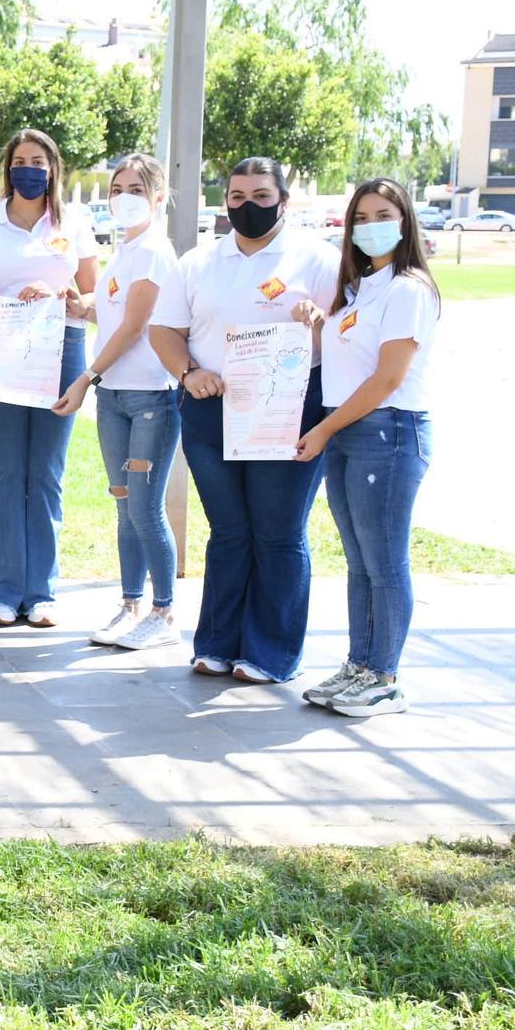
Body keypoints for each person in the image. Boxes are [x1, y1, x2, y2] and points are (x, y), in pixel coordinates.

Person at [150, 155, 340, 683]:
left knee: (278, 532)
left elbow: (351, 335)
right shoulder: (198, 263)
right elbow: (164, 331)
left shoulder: (319, 260)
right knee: (230, 531)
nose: (247, 206)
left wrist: (320, 322)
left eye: (260, 196)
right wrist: (189, 373)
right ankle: (216, 643)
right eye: (237, 197)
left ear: (283, 199)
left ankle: (270, 654)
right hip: (213, 410)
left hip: (291, 410)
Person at [293, 178, 438, 717]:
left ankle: (385, 677)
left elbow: (387, 379)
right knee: (359, 561)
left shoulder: (408, 289)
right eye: (361, 217)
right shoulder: (360, 289)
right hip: (349, 428)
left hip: (388, 431)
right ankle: (361, 665)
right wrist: (318, 326)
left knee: (384, 560)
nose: (371, 225)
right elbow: (347, 358)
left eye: (384, 214)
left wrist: (326, 430)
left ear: (404, 222)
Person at [0, 128, 98, 628]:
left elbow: (94, 300)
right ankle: (3, 591)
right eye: (20, 160)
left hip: (61, 352)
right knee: (8, 471)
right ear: (8, 168)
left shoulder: (75, 222)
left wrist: (59, 294)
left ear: (54, 168)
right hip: (1, 353)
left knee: (45, 473)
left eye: (38, 160)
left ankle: (41, 592)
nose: (29, 169)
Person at [53, 154, 182, 651]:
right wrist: (82, 308)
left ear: (158, 196)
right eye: (118, 188)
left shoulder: (153, 251)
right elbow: (113, 318)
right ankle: (130, 606)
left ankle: (164, 613)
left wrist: (87, 376)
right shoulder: (124, 251)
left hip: (149, 394)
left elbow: (136, 327)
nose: (124, 197)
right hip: (114, 396)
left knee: (147, 510)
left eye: (136, 188)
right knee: (125, 507)